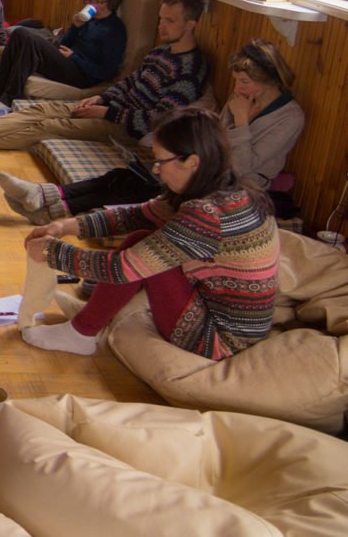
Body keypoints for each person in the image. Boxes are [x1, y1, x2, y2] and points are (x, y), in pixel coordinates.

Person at [20, 108, 279, 361]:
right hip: (229, 320)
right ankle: (93, 317)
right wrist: (65, 226)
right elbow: (134, 215)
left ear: (191, 162)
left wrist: (52, 253)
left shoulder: (206, 214)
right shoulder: (223, 189)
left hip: (219, 342)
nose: (155, 170)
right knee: (142, 238)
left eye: (161, 161)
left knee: (143, 250)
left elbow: (122, 269)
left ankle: (80, 333)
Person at [0, 38, 304, 225]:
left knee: (140, 189)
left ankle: (48, 207)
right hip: (209, 171)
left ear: (271, 81)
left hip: (240, 187)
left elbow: (244, 165)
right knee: (124, 176)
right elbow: (215, 142)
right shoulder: (243, 100)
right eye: (237, 80)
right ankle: (45, 196)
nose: (239, 88)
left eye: (246, 82)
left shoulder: (290, 117)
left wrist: (242, 123)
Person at [0, 0, 208, 150]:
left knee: (51, 126)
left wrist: (107, 111)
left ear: (191, 24)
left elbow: (159, 120)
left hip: (124, 126)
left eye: (170, 22)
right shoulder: (161, 52)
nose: (161, 27)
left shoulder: (189, 70)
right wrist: (100, 98)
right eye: (161, 19)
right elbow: (129, 83)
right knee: (39, 110)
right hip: (109, 106)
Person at [0, 0, 127, 107]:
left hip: (83, 75)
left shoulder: (114, 30)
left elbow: (107, 72)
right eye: (88, 0)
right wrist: (75, 27)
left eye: (92, 1)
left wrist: (74, 57)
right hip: (68, 62)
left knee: (29, 39)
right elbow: (63, 45)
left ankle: (8, 99)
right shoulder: (89, 19)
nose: (88, 4)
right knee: (20, 33)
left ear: (106, 2)